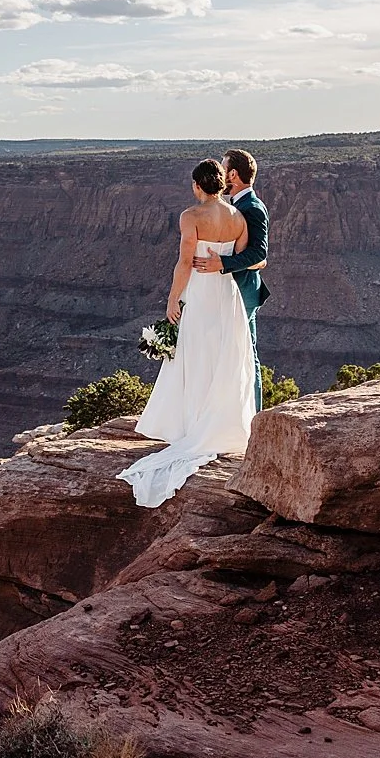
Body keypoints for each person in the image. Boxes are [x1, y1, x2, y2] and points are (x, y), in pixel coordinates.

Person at [117, 159, 258, 508]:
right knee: (223, 357)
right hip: (227, 295)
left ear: (197, 185)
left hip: (200, 293)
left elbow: (184, 262)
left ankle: (194, 427)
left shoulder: (190, 216)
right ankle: (219, 424)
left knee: (196, 356)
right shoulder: (238, 218)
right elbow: (242, 259)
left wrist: (173, 298)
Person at [193, 148, 269, 407]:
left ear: (233, 174)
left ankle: (254, 416)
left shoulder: (252, 208)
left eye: (223, 169)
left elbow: (259, 253)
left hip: (244, 290)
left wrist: (223, 263)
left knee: (247, 352)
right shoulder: (235, 206)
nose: (219, 174)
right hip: (228, 289)